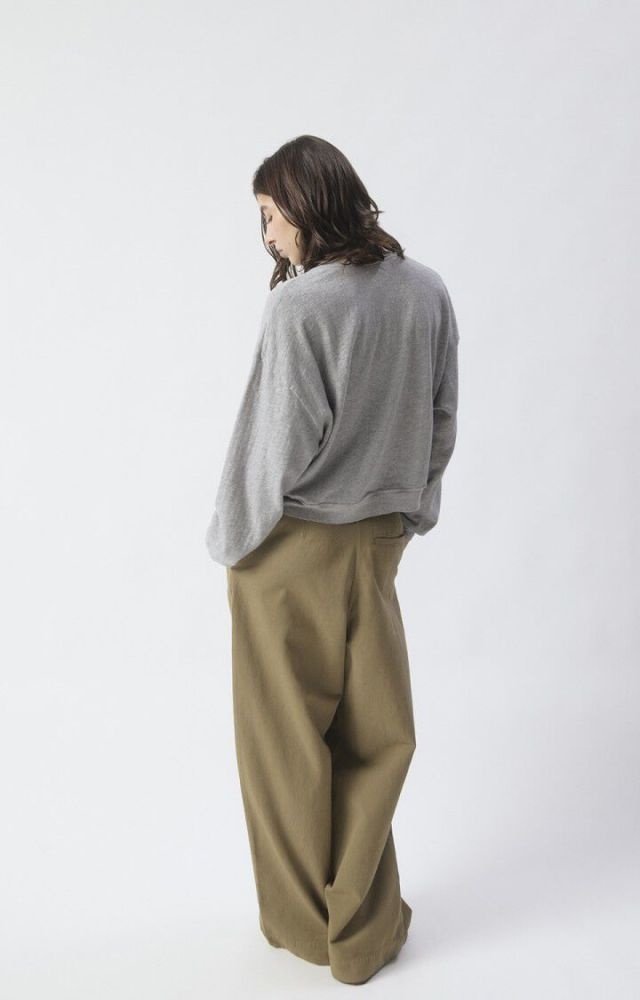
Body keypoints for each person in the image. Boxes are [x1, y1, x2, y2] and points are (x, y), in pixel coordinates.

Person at [205, 134, 460, 985]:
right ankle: (364, 925)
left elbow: (272, 446)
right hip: (378, 546)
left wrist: (233, 545)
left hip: (290, 553)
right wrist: (409, 512)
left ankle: (308, 930)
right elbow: (441, 418)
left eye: (270, 215)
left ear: (306, 204)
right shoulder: (425, 291)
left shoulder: (301, 307)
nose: (269, 235)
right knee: (378, 739)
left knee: (285, 752)